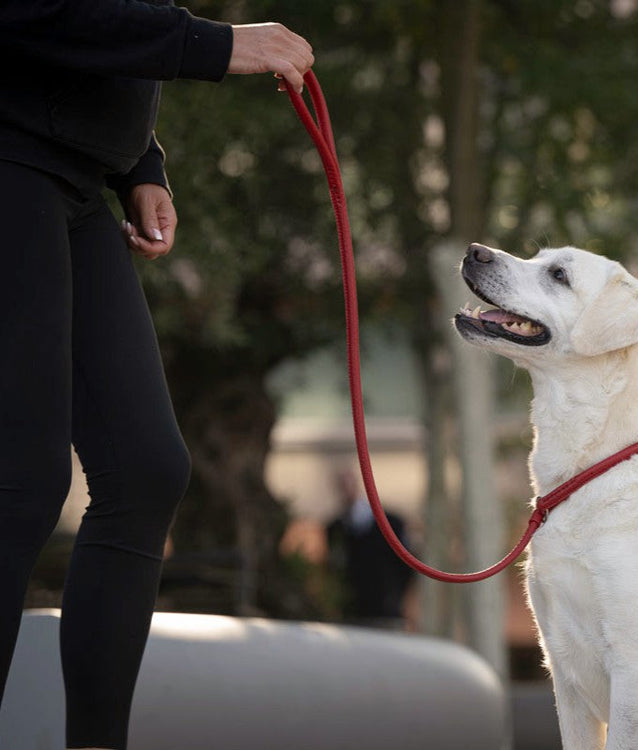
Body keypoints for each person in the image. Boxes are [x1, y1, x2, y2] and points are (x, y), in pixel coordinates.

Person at [0, 3, 313, 749]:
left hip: (71, 177)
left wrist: (141, 162)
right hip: (9, 158)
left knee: (145, 470)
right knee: (19, 481)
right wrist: (217, 44)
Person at [326, 468, 414, 629]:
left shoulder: (391, 523)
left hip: (386, 610)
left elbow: (406, 566)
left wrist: (394, 595)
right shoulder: (336, 528)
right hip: (354, 612)